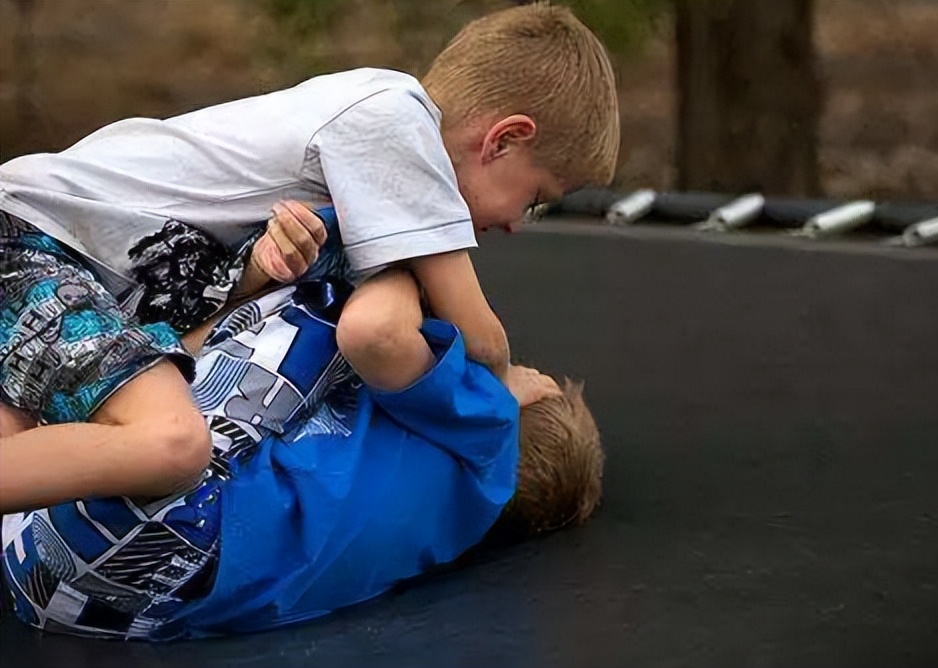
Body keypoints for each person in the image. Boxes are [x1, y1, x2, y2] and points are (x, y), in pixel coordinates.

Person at [0, 3, 620, 513]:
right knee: (169, 442)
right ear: (505, 139)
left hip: (71, 271)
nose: (514, 225)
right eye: (535, 198)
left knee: (34, 450)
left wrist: (259, 271)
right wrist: (503, 383)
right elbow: (476, 332)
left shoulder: (355, 188)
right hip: (33, 238)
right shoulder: (393, 119)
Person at [1, 269, 605, 641]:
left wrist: (402, 251)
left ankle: (110, 370)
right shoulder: (454, 522)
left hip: (176, 516)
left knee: (326, 302)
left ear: (537, 396)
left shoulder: (490, 433)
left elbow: (373, 331)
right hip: (74, 590)